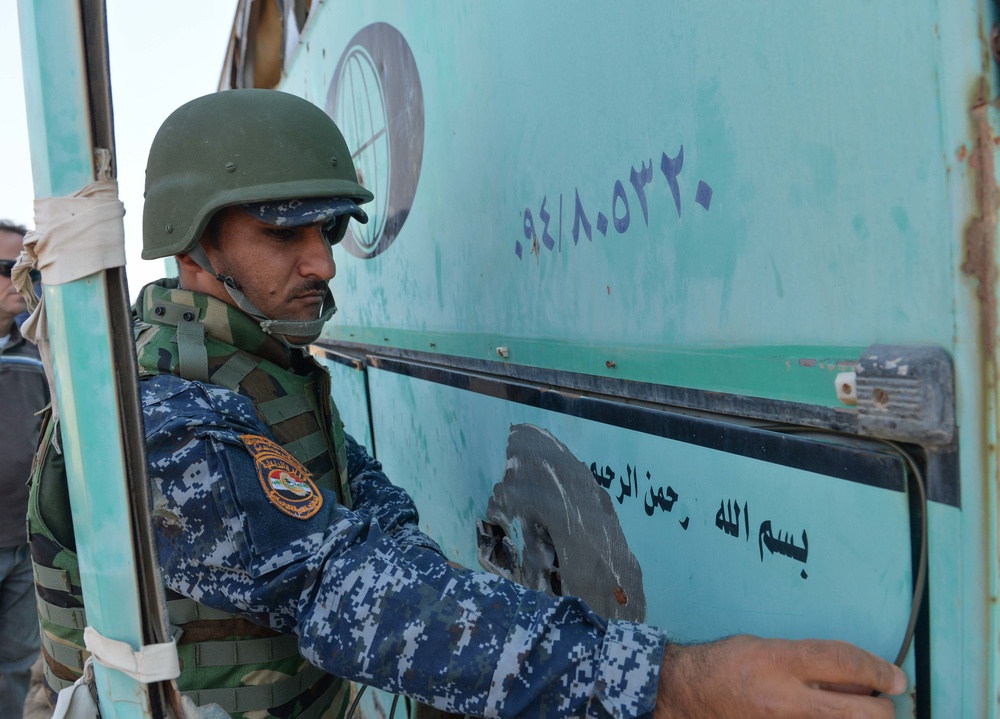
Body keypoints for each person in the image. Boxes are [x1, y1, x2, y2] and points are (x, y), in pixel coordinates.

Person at [28, 90, 906, 719]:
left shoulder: (263, 365)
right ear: (194, 244)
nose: (324, 263)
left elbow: (375, 523)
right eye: (283, 232)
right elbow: (349, 590)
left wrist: (462, 630)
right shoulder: (165, 418)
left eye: (329, 231)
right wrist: (673, 682)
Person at [0, 219, 46, 717]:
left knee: (15, 663)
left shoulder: (41, 347)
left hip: (25, 542)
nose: (18, 280)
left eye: (24, 269)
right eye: (5, 268)